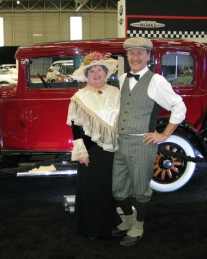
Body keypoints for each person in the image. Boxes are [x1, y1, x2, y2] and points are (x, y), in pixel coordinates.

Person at [111, 37, 187, 246]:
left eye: (140, 53)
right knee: (117, 189)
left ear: (148, 56)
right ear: (127, 56)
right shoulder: (123, 77)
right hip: (121, 142)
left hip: (142, 144)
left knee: (140, 191)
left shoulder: (156, 81)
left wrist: (164, 136)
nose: (135, 57)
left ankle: (138, 226)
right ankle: (128, 220)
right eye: (131, 53)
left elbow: (179, 107)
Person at [66, 52, 122, 239]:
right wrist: (81, 152)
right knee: (91, 190)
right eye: (92, 71)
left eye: (100, 70)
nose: (96, 73)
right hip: (91, 151)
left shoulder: (116, 93)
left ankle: (110, 225)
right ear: (87, 75)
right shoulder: (79, 97)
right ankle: (90, 228)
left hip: (113, 150)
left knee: (110, 189)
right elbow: (75, 128)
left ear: (106, 73)